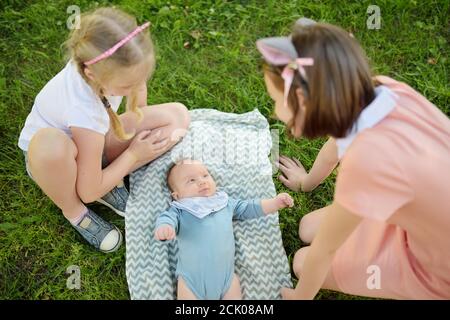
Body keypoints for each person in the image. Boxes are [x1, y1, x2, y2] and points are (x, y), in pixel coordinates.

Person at [256, 18, 450, 299]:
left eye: (276, 99)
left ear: (301, 98)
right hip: (418, 216)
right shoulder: (384, 91)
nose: (275, 111)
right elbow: (336, 146)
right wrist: (307, 182)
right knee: (307, 226)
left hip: (436, 266)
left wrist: (300, 297)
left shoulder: (367, 162)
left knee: (303, 262)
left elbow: (325, 250)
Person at [18, 7, 190, 253]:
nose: (139, 84)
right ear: (92, 75)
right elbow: (88, 192)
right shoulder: (85, 111)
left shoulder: (101, 65)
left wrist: (137, 107)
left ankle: (103, 176)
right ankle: (75, 210)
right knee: (54, 149)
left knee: (177, 116)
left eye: (142, 76)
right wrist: (133, 155)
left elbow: (137, 103)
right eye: (128, 83)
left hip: (93, 141)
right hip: (55, 163)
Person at [154, 159, 294, 299]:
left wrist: (275, 203)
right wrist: (165, 226)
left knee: (234, 287)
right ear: (177, 196)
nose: (202, 181)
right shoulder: (180, 210)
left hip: (226, 279)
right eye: (191, 180)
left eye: (205, 175)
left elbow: (249, 208)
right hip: (191, 281)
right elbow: (166, 218)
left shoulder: (225, 203)